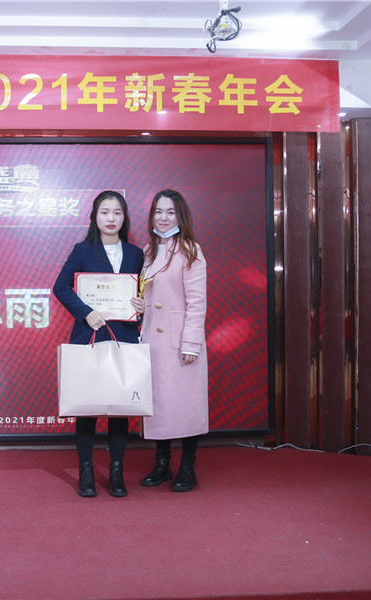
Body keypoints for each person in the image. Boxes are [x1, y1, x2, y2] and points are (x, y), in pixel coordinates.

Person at [53, 190, 146, 498]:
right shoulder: (82, 250)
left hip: (124, 335)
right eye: (105, 212)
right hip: (90, 334)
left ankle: (117, 472)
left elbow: (142, 293)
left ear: (124, 217)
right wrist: (86, 312)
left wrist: (141, 307)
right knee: (88, 407)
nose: (111, 218)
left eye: (117, 212)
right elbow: (60, 287)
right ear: (94, 216)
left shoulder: (135, 253)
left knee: (120, 408)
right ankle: (86, 472)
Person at [139, 189, 208, 492]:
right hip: (153, 340)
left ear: (181, 216)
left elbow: (197, 302)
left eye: (170, 212)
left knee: (186, 404)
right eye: (158, 212)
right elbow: (147, 295)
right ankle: (162, 464)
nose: (163, 218)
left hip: (180, 341)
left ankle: (188, 466)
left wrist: (191, 343)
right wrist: (138, 305)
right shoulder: (149, 250)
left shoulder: (190, 250)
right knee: (160, 404)